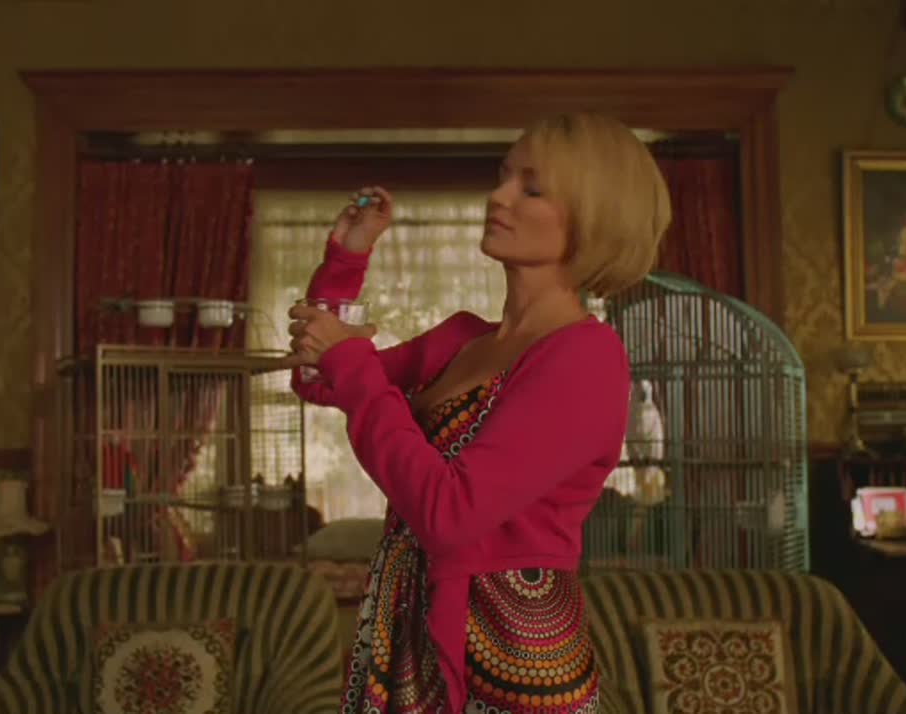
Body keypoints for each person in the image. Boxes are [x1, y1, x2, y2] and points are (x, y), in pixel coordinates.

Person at [285, 112, 671, 714]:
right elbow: (320, 380)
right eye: (503, 175)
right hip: (407, 623)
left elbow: (449, 514)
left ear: (592, 220)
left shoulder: (586, 357)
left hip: (512, 653)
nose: (499, 196)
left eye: (531, 187)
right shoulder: (462, 338)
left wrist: (349, 360)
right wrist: (346, 264)